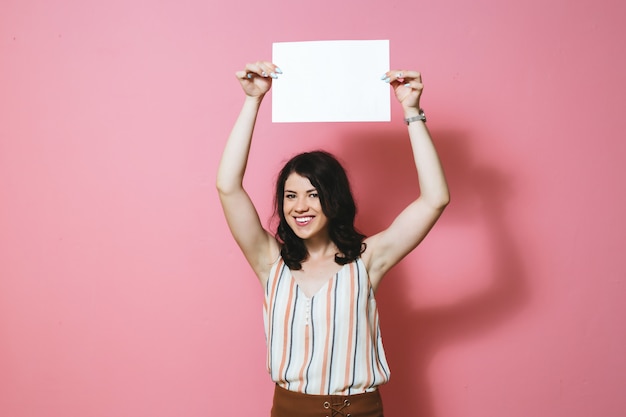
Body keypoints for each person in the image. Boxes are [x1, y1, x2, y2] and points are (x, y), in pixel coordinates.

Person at [216, 60, 449, 417]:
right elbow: (228, 187)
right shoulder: (269, 261)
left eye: (312, 194)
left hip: (359, 411)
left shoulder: (368, 260)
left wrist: (412, 110)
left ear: (333, 200)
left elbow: (435, 199)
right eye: (290, 196)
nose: (300, 206)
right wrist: (253, 101)